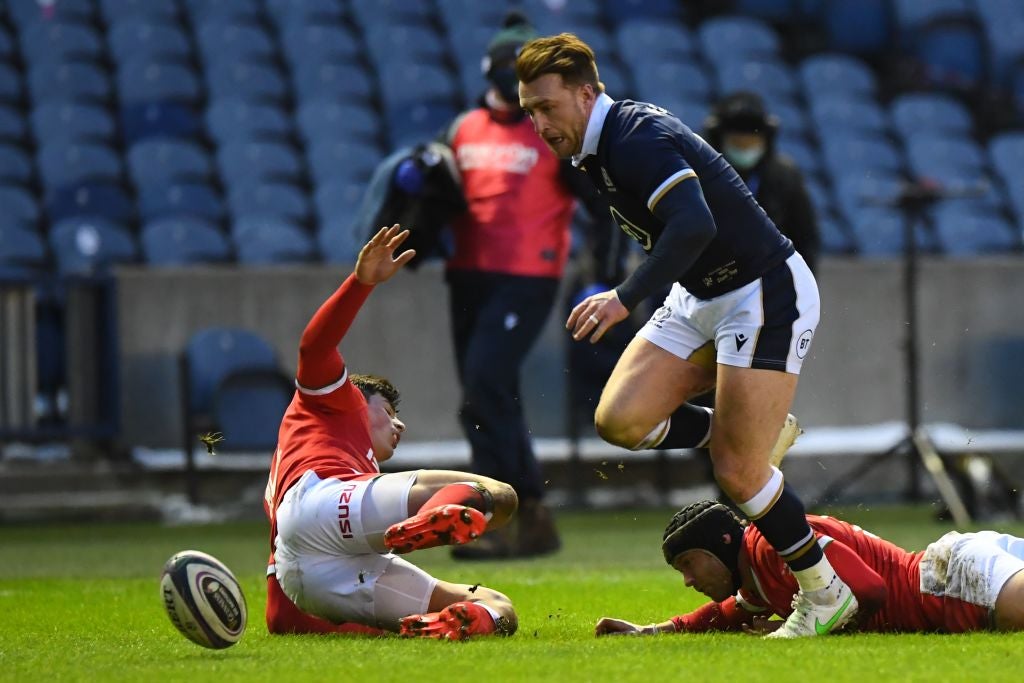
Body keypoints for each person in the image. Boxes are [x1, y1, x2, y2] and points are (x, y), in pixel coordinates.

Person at [515, 34, 849, 638]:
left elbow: (695, 223)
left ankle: (825, 592)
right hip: (698, 296)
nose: (539, 123)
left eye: (547, 106)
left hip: (761, 290)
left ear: (586, 93)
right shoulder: (594, 148)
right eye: (530, 111)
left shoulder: (633, 137)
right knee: (620, 422)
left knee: (739, 473)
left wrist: (623, 297)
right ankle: (752, 433)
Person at [263, 224, 520, 641]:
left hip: (310, 576)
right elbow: (314, 348)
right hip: (327, 508)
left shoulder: (295, 468)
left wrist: (378, 632)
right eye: (388, 411)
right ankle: (427, 520)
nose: (399, 424)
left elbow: (282, 616)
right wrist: (360, 283)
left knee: (498, 607)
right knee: (501, 494)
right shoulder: (336, 401)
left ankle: (453, 617)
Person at [441, 13, 623, 560]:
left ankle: (502, 515)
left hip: (528, 276)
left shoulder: (549, 130)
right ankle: (529, 517)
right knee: (483, 395)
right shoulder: (463, 127)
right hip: (467, 273)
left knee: (485, 383)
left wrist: (603, 274)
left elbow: (601, 202)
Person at [594, 500, 1024, 635]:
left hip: (952, 581)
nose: (689, 580)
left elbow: (870, 589)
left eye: (689, 564)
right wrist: (651, 631)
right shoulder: (760, 573)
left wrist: (813, 624)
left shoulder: (770, 546)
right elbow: (725, 614)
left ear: (722, 545)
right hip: (955, 576)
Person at [704, 91, 821, 272]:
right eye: (737, 142)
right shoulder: (696, 175)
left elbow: (805, 240)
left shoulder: (785, 177)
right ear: (719, 140)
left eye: (751, 142)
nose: (744, 149)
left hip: (768, 284)